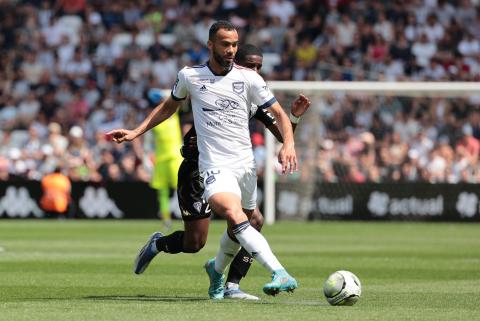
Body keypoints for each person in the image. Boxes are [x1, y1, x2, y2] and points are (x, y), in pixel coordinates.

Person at [107, 21, 299, 299]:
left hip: (245, 167)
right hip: (209, 167)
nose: (231, 50)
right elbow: (169, 106)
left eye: (234, 44)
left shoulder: (250, 80)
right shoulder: (190, 76)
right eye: (225, 44)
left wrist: (289, 143)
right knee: (232, 218)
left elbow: (279, 117)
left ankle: (217, 273)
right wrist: (137, 131)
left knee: (236, 226)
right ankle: (278, 272)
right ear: (210, 45)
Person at [146, 88, 183, 229]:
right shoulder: (154, 117)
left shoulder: (173, 113)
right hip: (160, 159)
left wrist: (163, 93)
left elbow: (176, 96)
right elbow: (148, 143)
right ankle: (166, 219)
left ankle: (188, 215)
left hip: (175, 157)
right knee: (162, 191)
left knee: (181, 189)